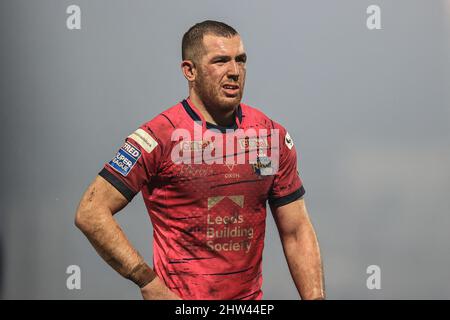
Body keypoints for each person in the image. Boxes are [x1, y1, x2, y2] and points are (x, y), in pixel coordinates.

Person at [75, 20, 325, 300]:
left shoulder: (270, 136)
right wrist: (148, 282)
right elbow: (91, 211)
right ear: (189, 71)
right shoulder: (159, 136)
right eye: (220, 61)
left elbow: (296, 230)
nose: (234, 72)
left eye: (240, 60)